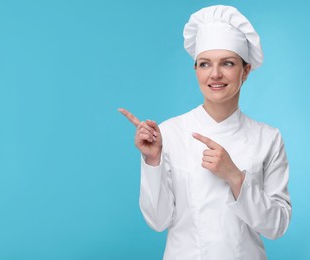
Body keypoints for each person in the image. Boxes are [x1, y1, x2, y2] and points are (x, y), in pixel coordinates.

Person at [119, 5, 291, 260]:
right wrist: (152, 161)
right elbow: (157, 221)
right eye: (205, 64)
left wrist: (234, 177)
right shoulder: (170, 132)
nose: (215, 74)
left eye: (228, 63)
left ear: (245, 71)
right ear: (196, 70)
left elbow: (277, 226)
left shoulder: (268, 138)